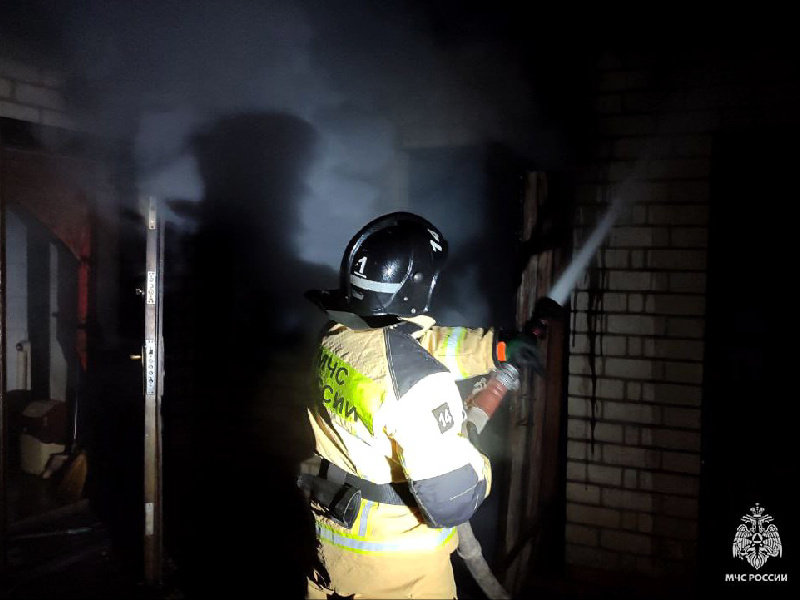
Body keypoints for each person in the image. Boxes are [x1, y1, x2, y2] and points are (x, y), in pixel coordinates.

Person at [299, 212, 541, 599]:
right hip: (400, 571)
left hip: (332, 546)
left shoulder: (338, 337)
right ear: (419, 286)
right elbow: (452, 502)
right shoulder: (420, 385)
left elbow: (410, 348)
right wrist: (474, 457)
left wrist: (497, 348)